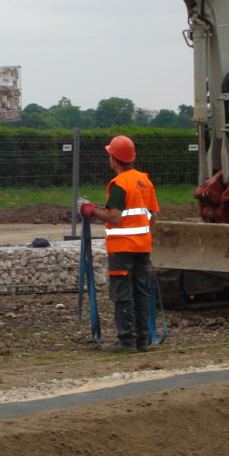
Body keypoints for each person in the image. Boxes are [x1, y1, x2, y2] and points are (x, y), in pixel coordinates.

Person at [80, 135, 159, 352]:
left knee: (123, 294)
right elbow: (152, 216)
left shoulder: (119, 184)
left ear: (114, 160)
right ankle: (142, 340)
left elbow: (114, 217)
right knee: (140, 292)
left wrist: (90, 210)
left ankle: (127, 341)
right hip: (142, 246)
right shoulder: (145, 181)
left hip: (122, 248)